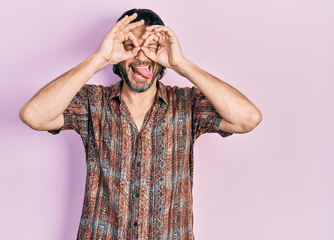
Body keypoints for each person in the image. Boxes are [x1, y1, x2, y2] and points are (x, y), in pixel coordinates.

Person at [19, 8, 262, 240]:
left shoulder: (187, 104)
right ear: (118, 55)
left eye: (152, 47)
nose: (141, 55)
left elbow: (247, 119)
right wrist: (99, 58)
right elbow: (34, 115)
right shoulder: (93, 103)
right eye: (130, 46)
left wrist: (181, 64)